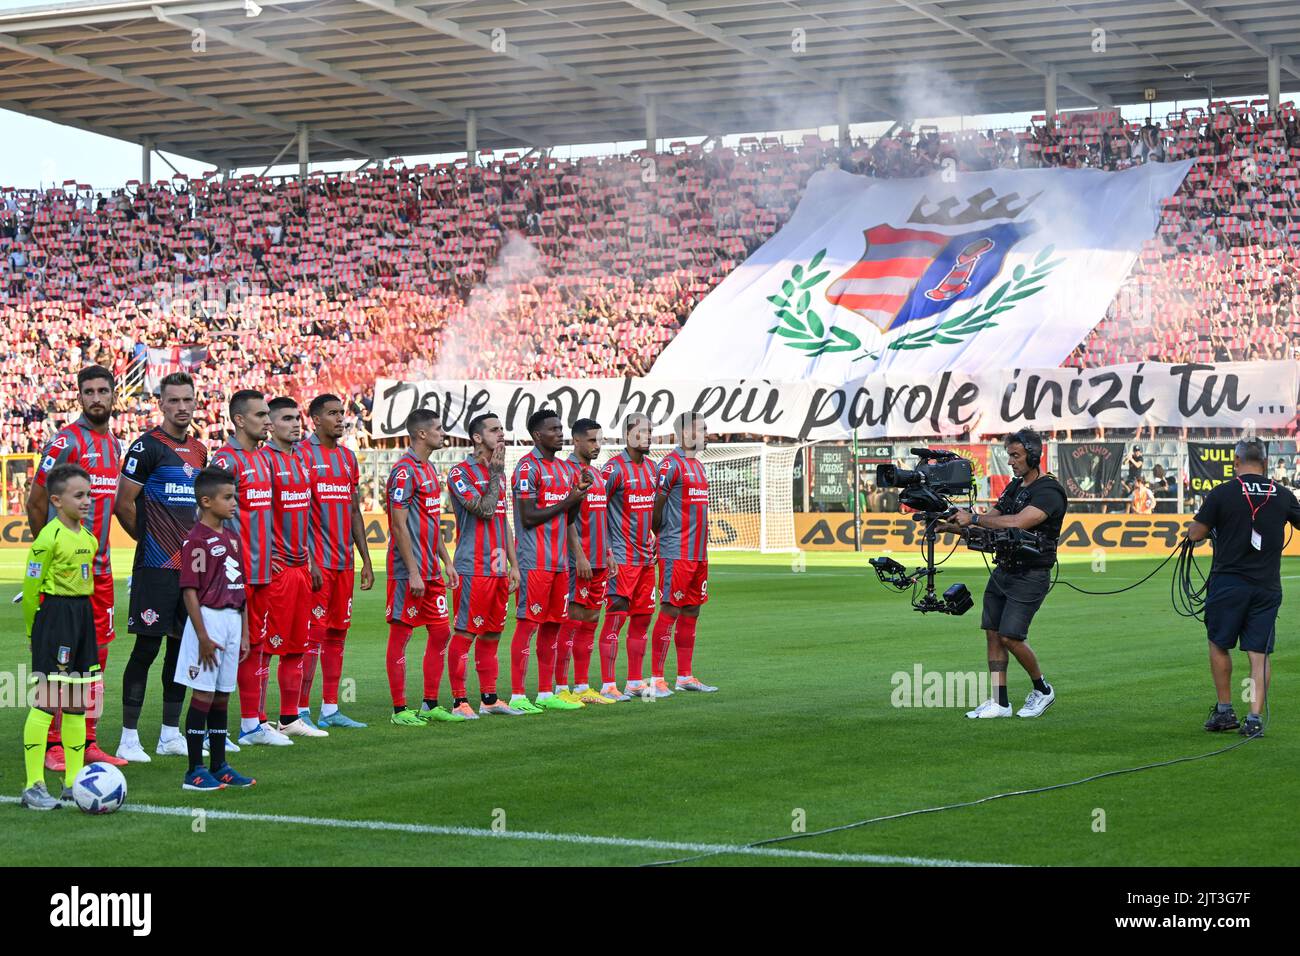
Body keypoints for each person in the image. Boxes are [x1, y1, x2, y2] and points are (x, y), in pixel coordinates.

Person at [24, 365, 125, 770]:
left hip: (100, 572)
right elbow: (36, 500)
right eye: (89, 391)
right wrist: (50, 557)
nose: (96, 397)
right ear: (79, 397)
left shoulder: (115, 445)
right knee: (59, 663)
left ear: (114, 395)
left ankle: (87, 740)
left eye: (103, 390)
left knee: (95, 660)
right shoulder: (66, 440)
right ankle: (52, 745)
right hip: (64, 581)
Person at [114, 372, 208, 763]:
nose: (182, 407)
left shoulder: (201, 451)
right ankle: (128, 737)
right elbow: (124, 503)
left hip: (191, 570)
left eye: (188, 400)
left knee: (180, 650)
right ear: (161, 403)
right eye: (174, 401)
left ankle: (171, 733)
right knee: (146, 648)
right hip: (156, 566)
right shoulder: (146, 447)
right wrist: (151, 540)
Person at [947, 429, 1067, 719]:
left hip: (1031, 574)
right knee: (992, 633)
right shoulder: (1014, 487)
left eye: (1016, 455)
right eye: (1009, 455)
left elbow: (1016, 522)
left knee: (1011, 636)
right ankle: (1000, 702)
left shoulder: (1049, 491)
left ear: (1034, 455)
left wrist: (973, 517)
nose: (1011, 461)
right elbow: (993, 519)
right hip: (1004, 569)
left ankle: (1042, 690)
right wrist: (951, 525)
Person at [1185, 438, 1300, 737]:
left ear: (1236, 463)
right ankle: (1254, 719)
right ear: (1265, 462)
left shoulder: (1222, 492)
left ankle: (1225, 711)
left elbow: (1196, 533)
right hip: (1267, 587)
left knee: (1219, 644)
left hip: (1228, 584)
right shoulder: (1282, 493)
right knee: (1258, 654)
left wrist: (1201, 529)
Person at [212, 390, 290, 747]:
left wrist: (271, 553)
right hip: (232, 575)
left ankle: (250, 724)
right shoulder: (225, 461)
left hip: (261, 571)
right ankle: (218, 729)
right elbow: (210, 519)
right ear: (240, 420)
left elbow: (267, 514)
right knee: (228, 648)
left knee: (254, 646)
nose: (268, 422)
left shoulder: (263, 460)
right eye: (261, 416)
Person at [19, 465, 99, 810]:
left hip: (83, 617)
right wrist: (32, 632)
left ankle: (73, 783)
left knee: (79, 705)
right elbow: (30, 585)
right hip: (56, 617)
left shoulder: (89, 538)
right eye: (79, 495)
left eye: (89, 494)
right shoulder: (47, 538)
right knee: (47, 701)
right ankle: (33, 785)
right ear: (56, 500)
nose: (87, 501)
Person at [175, 468, 255, 791]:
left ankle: (219, 765)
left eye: (233, 496)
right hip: (207, 621)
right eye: (227, 497)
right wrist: (203, 636)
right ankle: (194, 770)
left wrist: (246, 632)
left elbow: (241, 587)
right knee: (204, 694)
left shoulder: (232, 537)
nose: (234, 502)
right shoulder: (195, 540)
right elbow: (189, 591)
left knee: (223, 696)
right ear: (206, 502)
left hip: (233, 620)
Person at [297, 393, 374, 729]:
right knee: (311, 636)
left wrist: (366, 560)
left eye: (341, 412)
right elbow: (295, 514)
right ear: (314, 419)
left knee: (338, 635)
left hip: (343, 563)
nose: (340, 418)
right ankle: (298, 711)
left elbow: (355, 511)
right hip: (316, 564)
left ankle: (331, 709)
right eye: (332, 413)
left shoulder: (347, 458)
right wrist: (308, 560)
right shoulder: (301, 455)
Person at [384, 409, 465, 725]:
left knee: (441, 632)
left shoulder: (430, 469)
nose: (443, 433)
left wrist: (446, 562)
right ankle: (400, 710)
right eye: (438, 428)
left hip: (432, 570)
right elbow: (399, 525)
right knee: (401, 635)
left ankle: (430, 702)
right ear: (420, 433)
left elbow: (430, 524)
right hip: (409, 573)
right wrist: (414, 570)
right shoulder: (403, 472)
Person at [509, 408, 591, 713]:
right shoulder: (526, 468)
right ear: (537, 435)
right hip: (533, 560)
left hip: (558, 562)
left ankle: (545, 692)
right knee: (528, 625)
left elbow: (569, 517)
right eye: (554, 429)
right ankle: (518, 695)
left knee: (553, 626)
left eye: (561, 428)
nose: (560, 433)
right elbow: (528, 517)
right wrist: (569, 499)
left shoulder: (566, 470)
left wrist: (579, 495)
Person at [447, 413, 523, 717]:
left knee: (492, 634)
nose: (501, 434)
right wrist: (494, 474)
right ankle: (458, 701)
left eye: (502, 429)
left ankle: (489, 699)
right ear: (477, 437)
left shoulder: (498, 474)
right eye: (494, 430)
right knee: (466, 633)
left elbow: (502, 518)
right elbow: (485, 509)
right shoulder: (459, 472)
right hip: (471, 566)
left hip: (497, 568)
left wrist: (513, 564)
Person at [261, 396, 327, 738]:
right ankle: (256, 720)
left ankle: (289, 717)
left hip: (302, 568)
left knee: (296, 645)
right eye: (287, 418)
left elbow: (305, 519)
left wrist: (312, 561)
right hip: (276, 571)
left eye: (297, 417)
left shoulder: (301, 461)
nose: (296, 423)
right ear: (270, 425)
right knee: (266, 647)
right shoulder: (264, 462)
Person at [651, 411, 717, 694]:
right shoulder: (669, 465)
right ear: (685, 433)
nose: (705, 434)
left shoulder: (698, 466)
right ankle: (656, 678)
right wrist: (660, 535)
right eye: (701, 429)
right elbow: (657, 505)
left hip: (698, 553)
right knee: (670, 609)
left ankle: (685, 676)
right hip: (676, 551)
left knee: (692, 610)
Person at [555, 419, 617, 705]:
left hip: (599, 558)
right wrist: (578, 554)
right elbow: (565, 516)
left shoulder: (598, 475)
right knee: (572, 619)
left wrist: (608, 552)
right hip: (577, 561)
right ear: (576, 441)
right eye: (591, 440)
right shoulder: (566, 472)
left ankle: (581, 686)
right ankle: (559, 688)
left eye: (599, 440)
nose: (597, 445)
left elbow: (600, 515)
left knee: (591, 619)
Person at [599, 413, 657, 700]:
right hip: (621, 559)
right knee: (615, 619)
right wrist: (606, 551)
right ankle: (608, 684)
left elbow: (652, 511)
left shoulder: (653, 469)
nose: (649, 436)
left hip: (646, 560)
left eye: (651, 431)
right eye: (643, 431)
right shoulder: (612, 470)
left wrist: (654, 535)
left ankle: (635, 681)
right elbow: (596, 510)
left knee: (643, 619)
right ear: (628, 435)